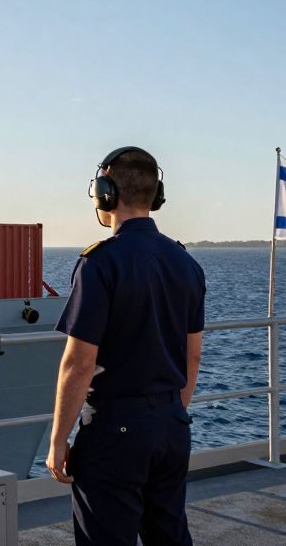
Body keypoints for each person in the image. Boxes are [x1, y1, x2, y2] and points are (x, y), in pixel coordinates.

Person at [46, 146, 206, 546]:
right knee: (168, 536)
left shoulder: (99, 263)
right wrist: (169, 413)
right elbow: (193, 355)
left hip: (115, 431)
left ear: (106, 194)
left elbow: (78, 365)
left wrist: (57, 440)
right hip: (172, 425)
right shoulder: (185, 263)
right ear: (156, 194)